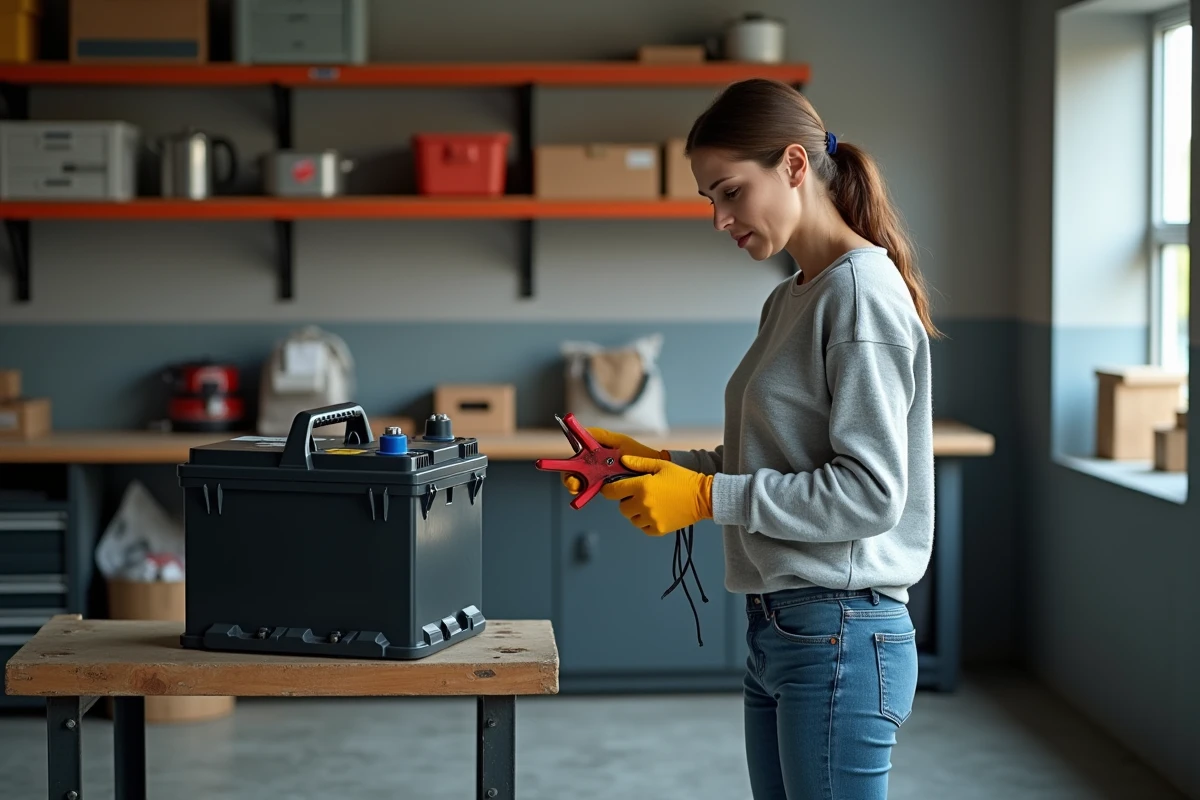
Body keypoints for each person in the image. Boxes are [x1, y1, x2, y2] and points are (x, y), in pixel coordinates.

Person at [563, 77, 939, 799]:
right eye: (710, 199)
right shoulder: (793, 293)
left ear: (794, 166)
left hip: (840, 630)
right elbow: (767, 460)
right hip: (783, 630)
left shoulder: (860, 296)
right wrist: (653, 463)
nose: (719, 218)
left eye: (729, 191)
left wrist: (705, 496)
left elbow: (871, 496)